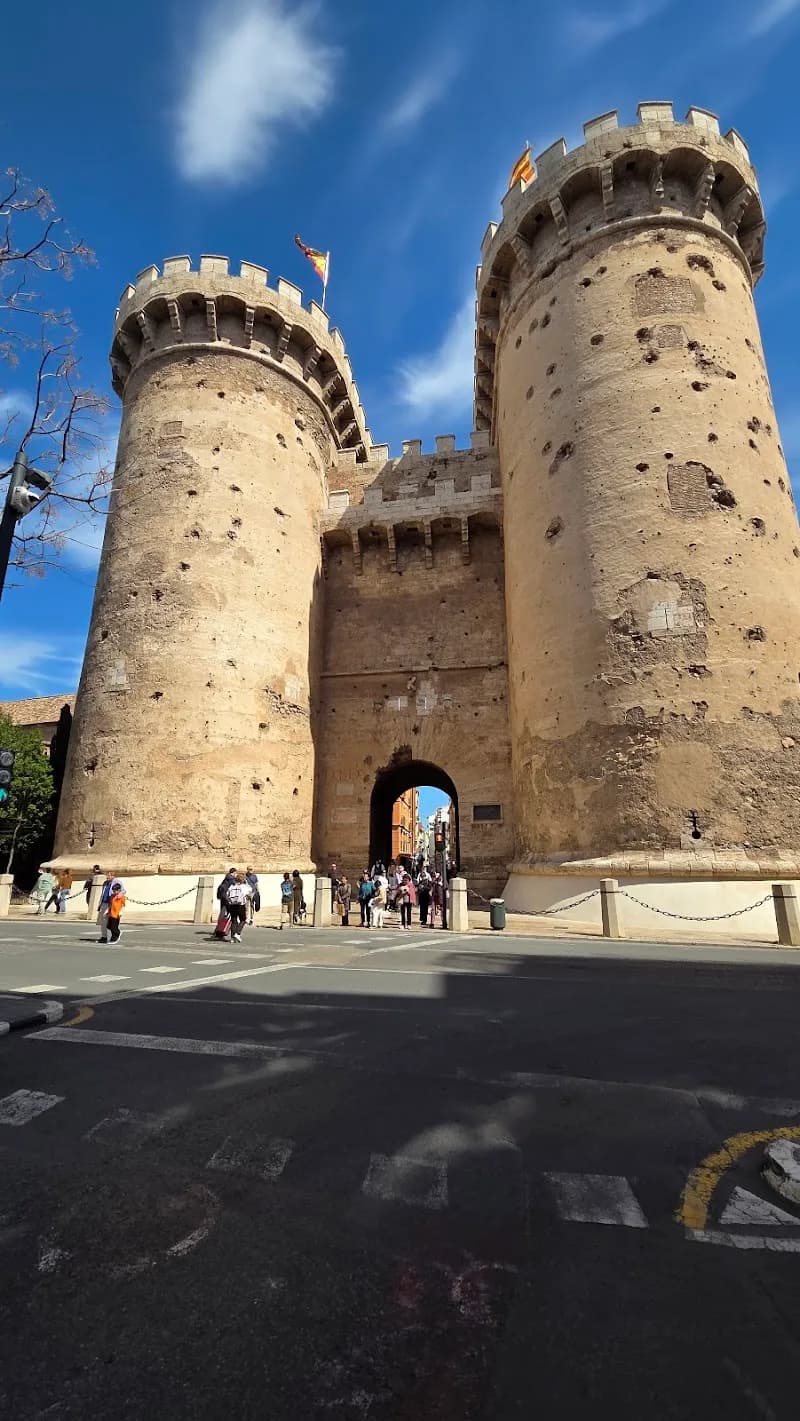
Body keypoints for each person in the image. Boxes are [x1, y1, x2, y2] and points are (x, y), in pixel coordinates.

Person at [226, 871, 251, 943]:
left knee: (234, 921)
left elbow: (227, 895)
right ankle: (237, 933)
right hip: (240, 905)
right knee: (243, 919)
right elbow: (250, 892)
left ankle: (232, 938)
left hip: (232, 905)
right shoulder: (244, 887)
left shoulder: (231, 886)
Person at [214, 867, 237, 939]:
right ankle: (225, 929)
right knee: (230, 914)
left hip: (223, 897)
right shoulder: (232, 879)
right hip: (227, 898)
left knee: (222, 912)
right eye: (235, 873)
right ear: (233, 873)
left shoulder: (226, 878)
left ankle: (218, 928)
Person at [97, 869, 116, 941]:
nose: (107, 877)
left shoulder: (115, 884)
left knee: (110, 921)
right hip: (104, 903)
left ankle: (112, 936)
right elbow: (102, 894)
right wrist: (100, 904)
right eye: (107, 875)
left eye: (109, 875)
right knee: (103, 921)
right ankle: (104, 936)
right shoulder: (105, 883)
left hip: (110, 904)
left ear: (113, 876)